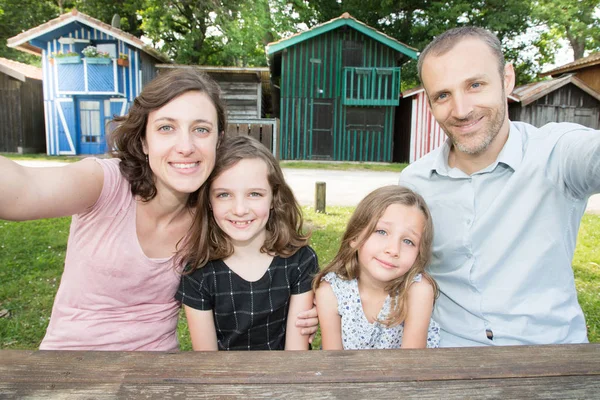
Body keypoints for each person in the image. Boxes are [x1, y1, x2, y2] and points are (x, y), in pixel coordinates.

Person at [0, 69, 318, 351]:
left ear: (218, 141)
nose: (185, 146)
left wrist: (307, 311)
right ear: (144, 141)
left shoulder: (216, 212)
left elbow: (262, 267)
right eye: (167, 128)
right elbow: (25, 187)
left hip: (157, 371)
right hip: (68, 362)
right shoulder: (103, 183)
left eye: (201, 130)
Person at [399, 26, 600, 347]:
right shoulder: (414, 181)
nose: (461, 110)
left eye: (475, 85)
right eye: (443, 95)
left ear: (507, 79)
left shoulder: (558, 153)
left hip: (550, 355)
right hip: (449, 356)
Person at [176, 135, 319, 351]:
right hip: (223, 380)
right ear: (208, 202)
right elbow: (206, 361)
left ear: (274, 198)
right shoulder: (198, 272)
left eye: (254, 194)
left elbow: (296, 355)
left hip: (286, 378)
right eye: (224, 195)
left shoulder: (300, 260)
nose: (240, 209)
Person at [313, 185, 440, 349]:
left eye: (408, 241)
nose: (393, 250)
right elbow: (333, 361)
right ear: (355, 236)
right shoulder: (331, 292)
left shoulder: (418, 290)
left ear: (419, 253)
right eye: (381, 232)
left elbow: (412, 366)